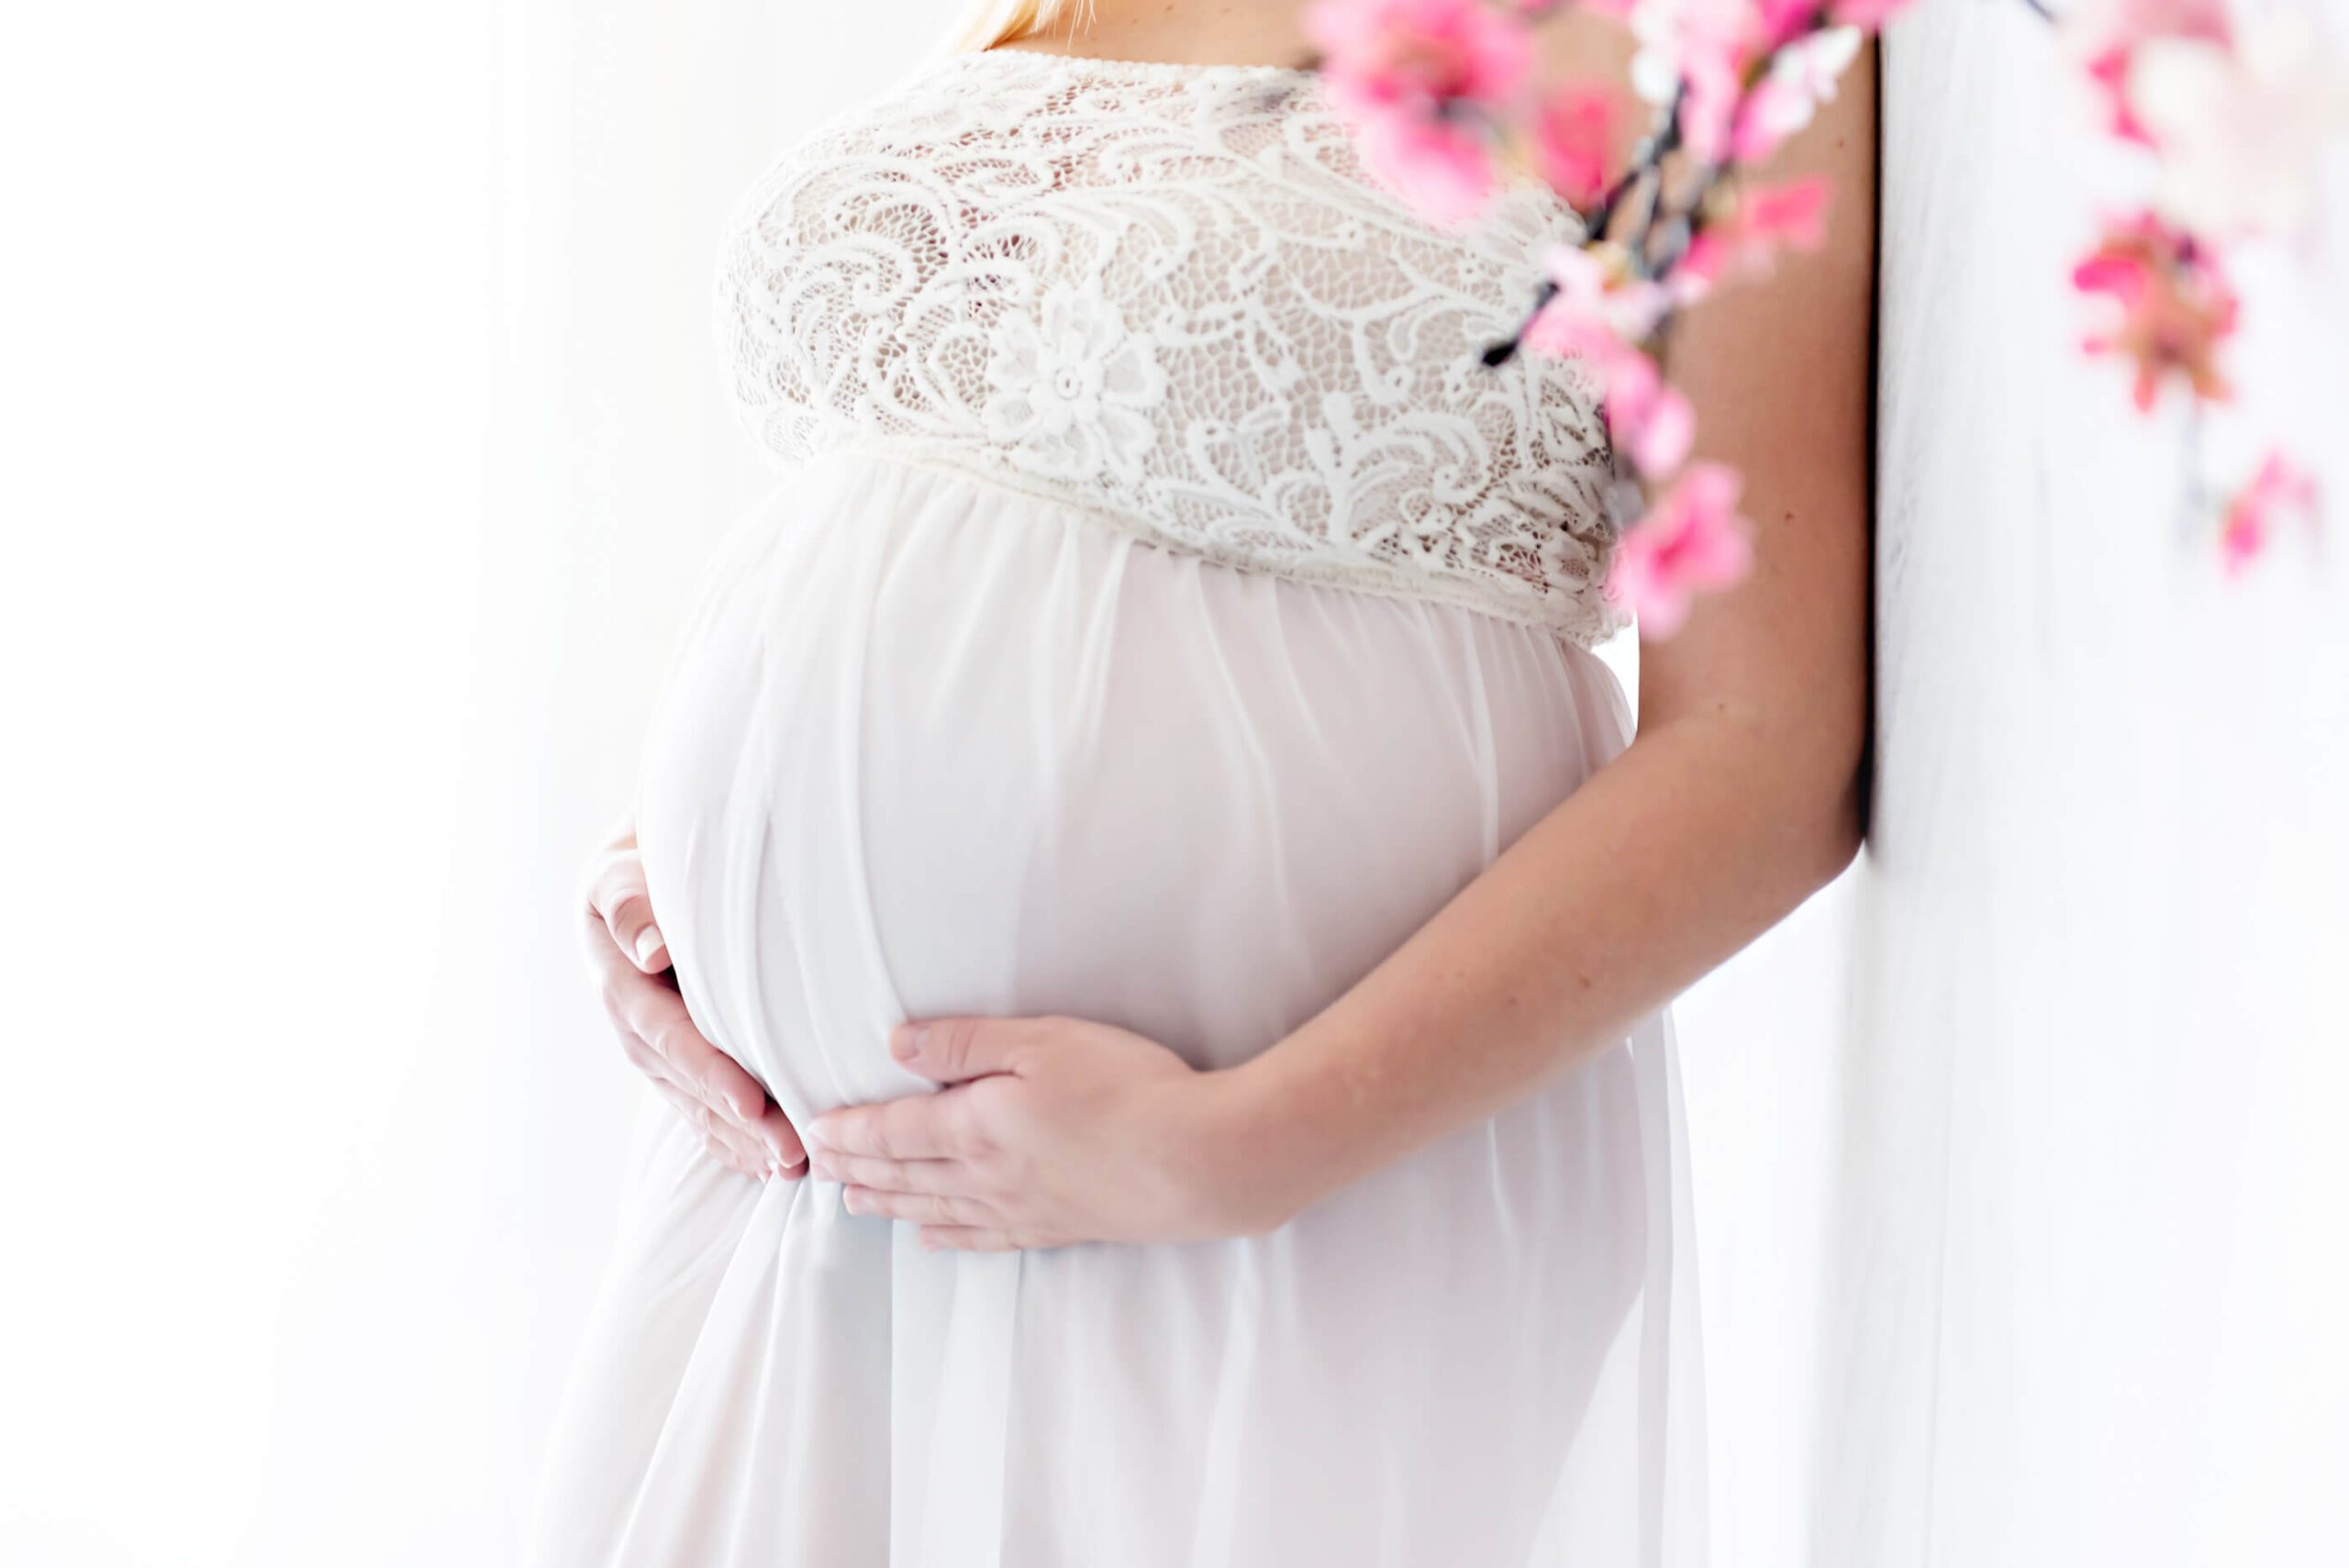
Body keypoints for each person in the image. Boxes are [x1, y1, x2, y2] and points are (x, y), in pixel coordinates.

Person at [530, 1, 1874, 1562]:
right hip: (801, 1194)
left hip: (1287, 1194)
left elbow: (1768, 746)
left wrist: (1236, 1148)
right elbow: (964, 459)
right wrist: (679, 870)